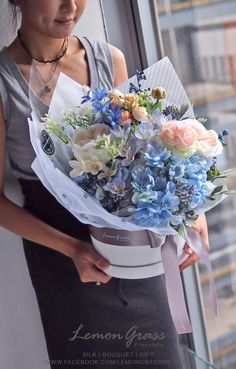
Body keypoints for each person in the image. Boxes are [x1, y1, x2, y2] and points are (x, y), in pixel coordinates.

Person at [0, 1, 209, 368]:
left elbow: (147, 152)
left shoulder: (107, 60)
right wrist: (73, 249)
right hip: (63, 265)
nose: (72, 6)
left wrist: (189, 212)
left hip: (134, 253)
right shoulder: (3, 82)